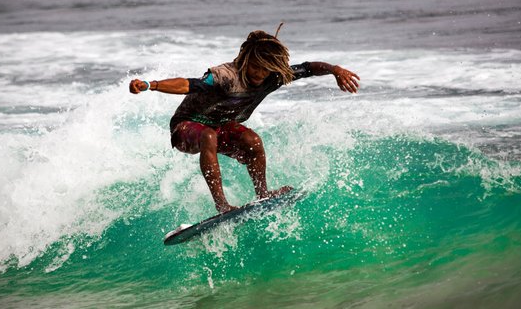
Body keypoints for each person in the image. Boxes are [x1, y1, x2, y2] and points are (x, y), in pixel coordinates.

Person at [129, 26, 360, 213]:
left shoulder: (273, 76)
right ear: (245, 59)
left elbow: (308, 68)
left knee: (253, 141)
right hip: (186, 129)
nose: (259, 75)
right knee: (208, 135)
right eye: (255, 68)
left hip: (220, 127)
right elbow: (187, 84)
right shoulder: (224, 76)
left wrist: (335, 70)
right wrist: (151, 85)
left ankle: (263, 194)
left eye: (265, 70)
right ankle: (222, 205)